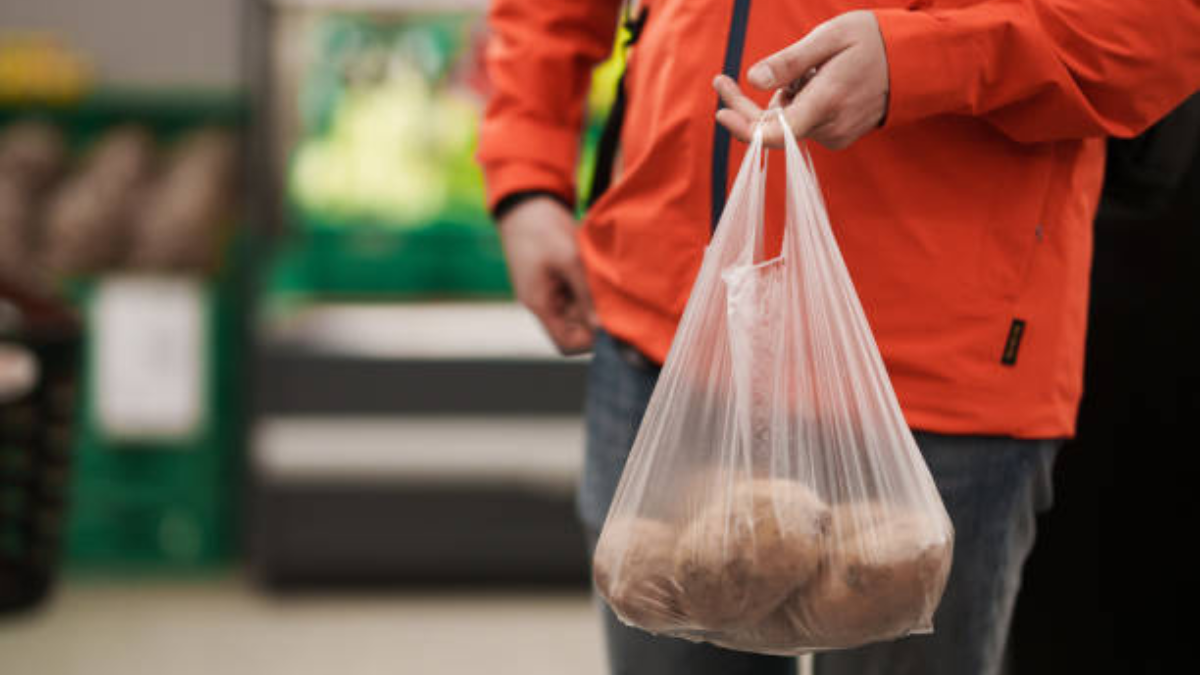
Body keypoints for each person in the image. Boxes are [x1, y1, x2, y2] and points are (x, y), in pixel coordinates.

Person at [477, 1, 1200, 674]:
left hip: (932, 372)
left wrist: (923, 61)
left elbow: (1161, 24)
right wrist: (527, 169)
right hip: (666, 331)